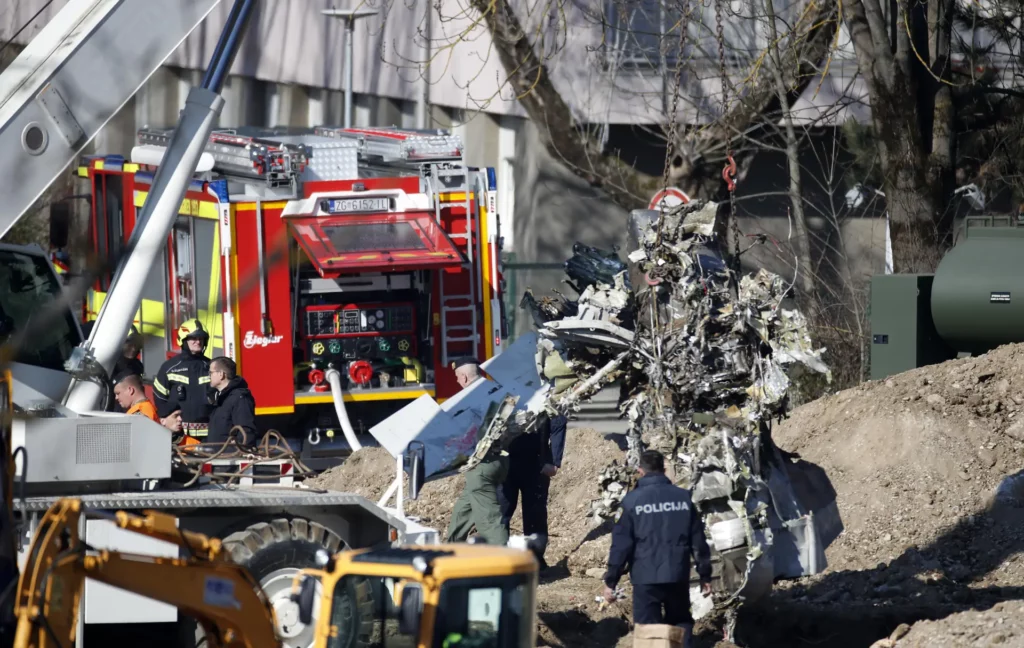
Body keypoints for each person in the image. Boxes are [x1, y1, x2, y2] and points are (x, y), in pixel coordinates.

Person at [603, 450, 712, 643]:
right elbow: (698, 540)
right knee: (680, 623)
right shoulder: (684, 498)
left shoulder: (631, 501)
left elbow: (621, 546)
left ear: (640, 471)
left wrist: (611, 580)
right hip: (677, 573)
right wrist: (705, 574)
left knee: (648, 631)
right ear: (664, 469)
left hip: (646, 577)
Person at [445, 358, 510, 546]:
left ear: (464, 377)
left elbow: (465, 436)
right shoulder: (497, 390)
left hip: (482, 465)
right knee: (463, 511)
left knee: (488, 521)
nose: (457, 382)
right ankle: (451, 553)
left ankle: (505, 567)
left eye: (457, 378)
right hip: (499, 462)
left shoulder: (468, 399)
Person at [498, 411, 566, 569]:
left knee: (535, 514)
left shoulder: (544, 391)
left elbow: (558, 422)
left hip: (537, 463)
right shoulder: (504, 392)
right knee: (501, 513)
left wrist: (554, 460)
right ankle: (500, 559)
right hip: (504, 463)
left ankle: (534, 559)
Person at [154, 319, 212, 443]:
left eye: (201, 338)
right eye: (194, 338)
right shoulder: (169, 368)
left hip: (208, 436)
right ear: (183, 340)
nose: (198, 341)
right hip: (179, 437)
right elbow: (160, 401)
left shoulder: (211, 367)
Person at [207, 356, 257, 445]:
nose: (209, 376)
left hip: (231, 457)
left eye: (211, 373)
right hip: (218, 456)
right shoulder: (221, 398)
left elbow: (246, 432)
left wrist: (242, 452)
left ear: (221, 374)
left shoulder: (240, 398)